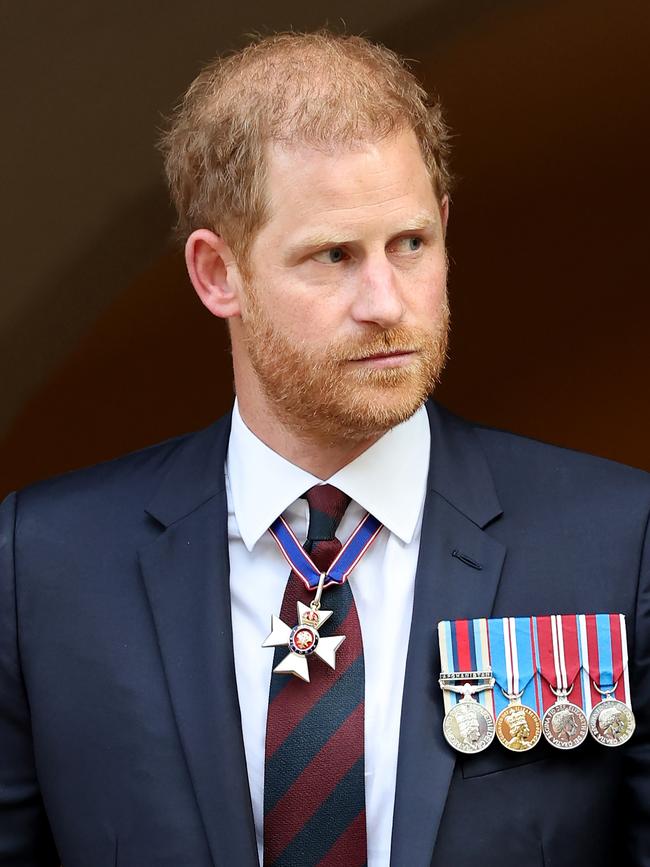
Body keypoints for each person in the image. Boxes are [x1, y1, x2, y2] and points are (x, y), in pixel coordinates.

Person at [1, 29, 649, 867]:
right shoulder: (45, 564)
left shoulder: (616, 538)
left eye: (411, 243)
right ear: (216, 274)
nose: (386, 300)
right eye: (334, 255)